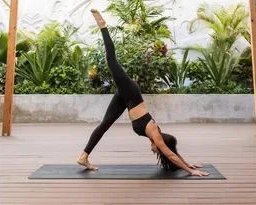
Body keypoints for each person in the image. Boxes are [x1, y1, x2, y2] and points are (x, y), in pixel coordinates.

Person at [77, 9, 209, 177]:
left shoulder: (155, 135)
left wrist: (187, 163)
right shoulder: (155, 133)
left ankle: (83, 156)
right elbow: (169, 153)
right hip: (130, 91)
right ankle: (103, 26)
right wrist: (190, 171)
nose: (156, 152)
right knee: (111, 60)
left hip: (127, 99)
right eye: (158, 150)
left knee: (105, 124)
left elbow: (171, 152)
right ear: (160, 142)